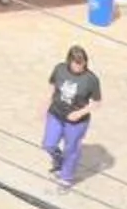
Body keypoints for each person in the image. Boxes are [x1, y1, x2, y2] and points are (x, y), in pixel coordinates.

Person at [44, 45, 103, 188]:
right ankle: (59, 161)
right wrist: (46, 102)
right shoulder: (60, 69)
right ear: (69, 61)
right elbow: (52, 85)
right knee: (49, 144)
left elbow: (96, 102)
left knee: (71, 149)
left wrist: (79, 113)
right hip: (56, 114)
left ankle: (66, 177)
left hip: (76, 122)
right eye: (76, 63)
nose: (79, 66)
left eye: (82, 63)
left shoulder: (91, 79)